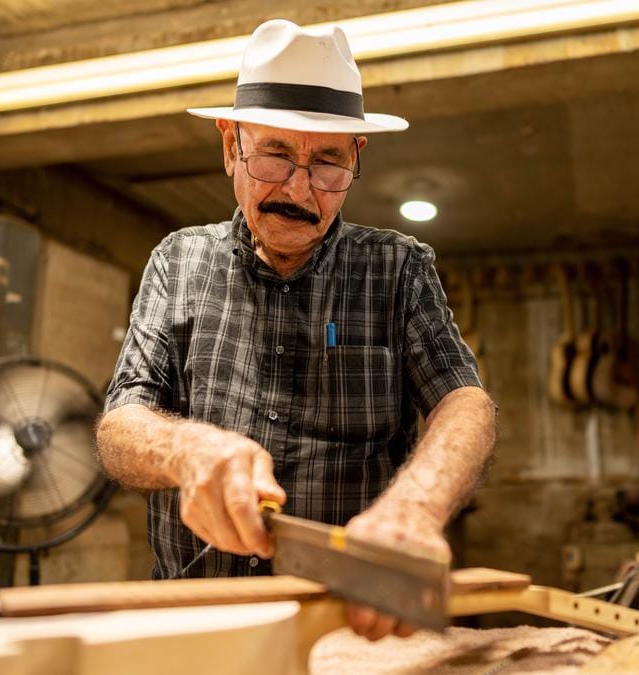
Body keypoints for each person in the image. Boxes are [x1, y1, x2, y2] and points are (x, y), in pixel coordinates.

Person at [96, 19, 497, 641]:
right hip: (197, 625)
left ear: (356, 158)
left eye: (328, 163)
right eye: (276, 155)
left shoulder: (397, 269)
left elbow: (464, 400)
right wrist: (186, 449)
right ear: (231, 144)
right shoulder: (177, 261)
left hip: (349, 627)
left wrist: (416, 506)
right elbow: (121, 423)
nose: (299, 189)